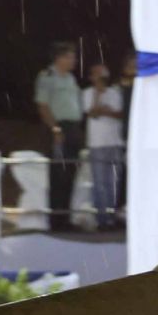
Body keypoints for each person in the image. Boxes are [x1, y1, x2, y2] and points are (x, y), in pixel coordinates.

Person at [34, 43, 84, 225]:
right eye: (71, 57)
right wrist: (55, 128)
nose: (74, 61)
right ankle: (56, 221)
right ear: (59, 58)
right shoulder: (47, 76)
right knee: (58, 175)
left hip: (74, 129)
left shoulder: (70, 78)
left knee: (71, 172)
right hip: (58, 128)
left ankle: (66, 218)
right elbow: (43, 105)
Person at [82, 62, 126, 228]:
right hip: (97, 143)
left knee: (114, 182)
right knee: (99, 182)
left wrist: (105, 111)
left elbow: (120, 113)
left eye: (104, 75)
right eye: (98, 75)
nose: (102, 79)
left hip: (114, 142)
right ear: (92, 77)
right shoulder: (87, 93)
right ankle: (102, 219)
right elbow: (92, 112)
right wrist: (99, 97)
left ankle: (112, 217)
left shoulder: (115, 93)